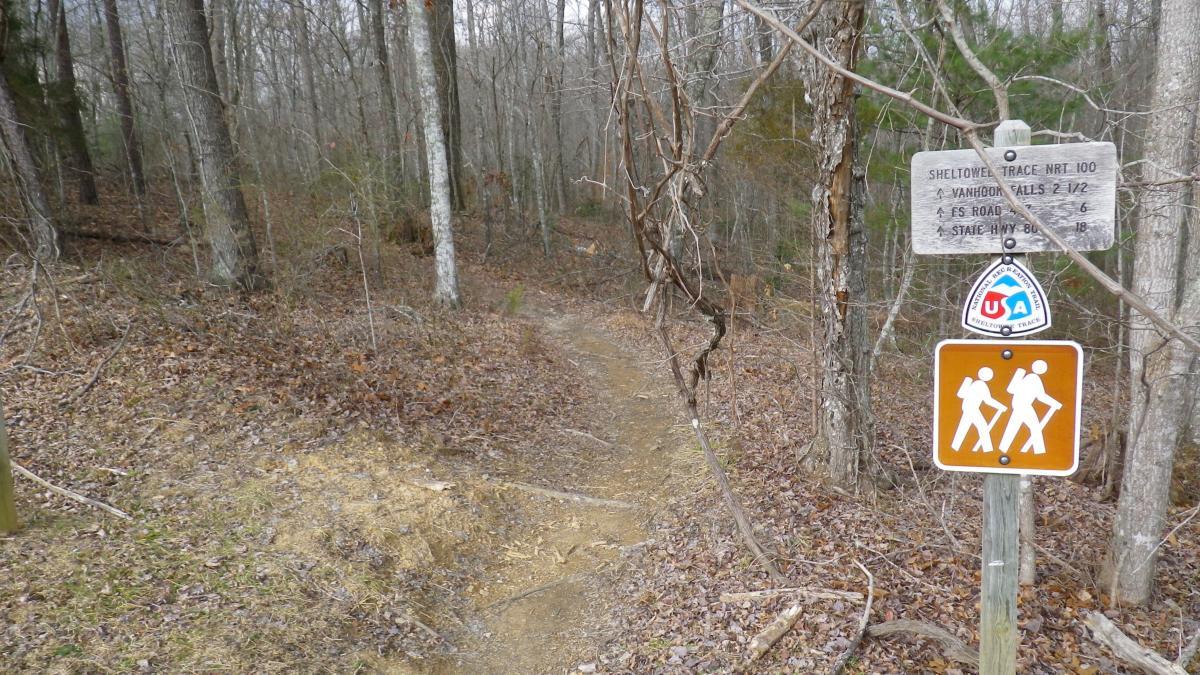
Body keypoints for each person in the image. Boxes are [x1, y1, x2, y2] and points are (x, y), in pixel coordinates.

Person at [998, 359, 1062, 455]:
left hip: (1017, 405)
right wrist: (1055, 403)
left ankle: (1003, 448)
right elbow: (1041, 396)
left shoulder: (1027, 377)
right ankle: (1039, 452)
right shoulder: (1034, 379)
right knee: (1035, 427)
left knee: (1013, 427)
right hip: (1024, 406)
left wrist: (1054, 403)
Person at [951, 367, 1007, 453]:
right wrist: (1000, 406)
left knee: (964, 427)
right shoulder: (981, 385)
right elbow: (988, 400)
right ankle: (988, 450)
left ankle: (955, 447)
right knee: (982, 427)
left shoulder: (975, 383)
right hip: (972, 409)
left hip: (967, 407)